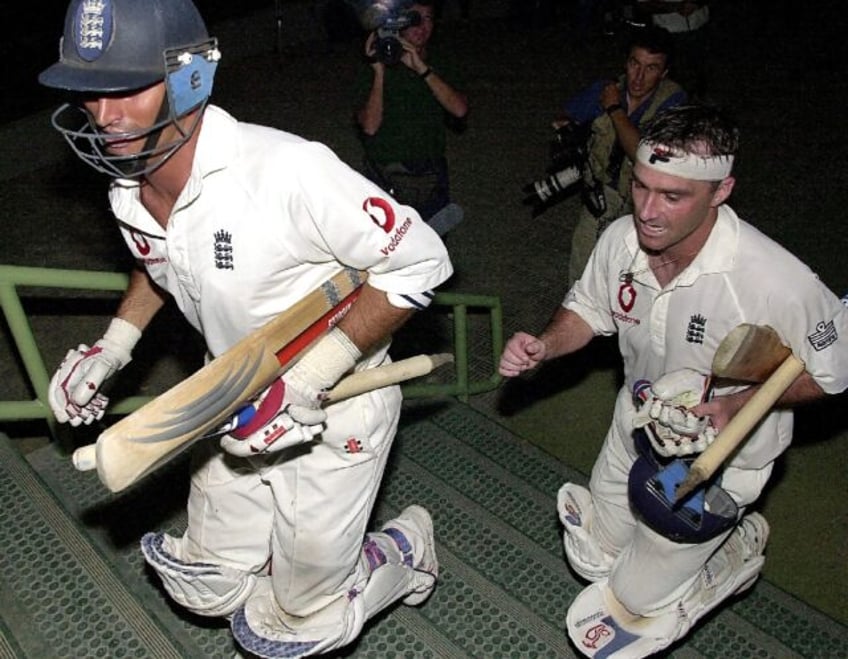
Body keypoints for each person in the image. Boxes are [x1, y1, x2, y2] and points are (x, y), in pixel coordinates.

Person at [38, 0, 453, 657]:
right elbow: (162, 261)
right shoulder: (126, 186)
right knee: (204, 585)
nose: (105, 116)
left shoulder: (287, 173)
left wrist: (314, 374)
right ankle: (291, 556)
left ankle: (400, 551)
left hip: (336, 401)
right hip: (230, 396)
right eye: (91, 93)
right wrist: (112, 348)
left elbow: (421, 259)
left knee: (293, 621)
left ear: (190, 78)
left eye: (126, 89)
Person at [498, 105, 848, 657]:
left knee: (631, 605)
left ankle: (731, 554)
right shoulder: (619, 240)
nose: (647, 211)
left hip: (721, 459)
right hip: (635, 422)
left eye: (672, 196)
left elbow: (834, 376)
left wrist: (741, 406)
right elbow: (588, 310)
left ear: (721, 190)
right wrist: (546, 345)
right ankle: (668, 558)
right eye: (640, 187)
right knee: (592, 556)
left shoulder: (778, 281)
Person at [554, 26, 687, 287]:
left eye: (651, 68)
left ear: (664, 73)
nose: (638, 77)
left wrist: (614, 109)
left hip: (647, 202)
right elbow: (564, 118)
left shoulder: (674, 104)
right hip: (601, 194)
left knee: (635, 277)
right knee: (582, 272)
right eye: (634, 64)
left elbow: (643, 155)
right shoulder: (607, 89)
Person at [355, 0, 468, 225]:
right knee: (387, 249)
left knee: (431, 250)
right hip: (385, 171)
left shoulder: (441, 62)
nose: (421, 26)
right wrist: (379, 72)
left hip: (430, 173)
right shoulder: (374, 66)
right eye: (414, 19)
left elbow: (459, 109)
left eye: (428, 19)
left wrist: (423, 70)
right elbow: (369, 126)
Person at [636, 0, 711, 100]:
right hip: (666, 32)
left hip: (699, 27)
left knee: (697, 74)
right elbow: (642, 4)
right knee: (671, 77)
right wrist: (675, 7)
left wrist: (696, 3)